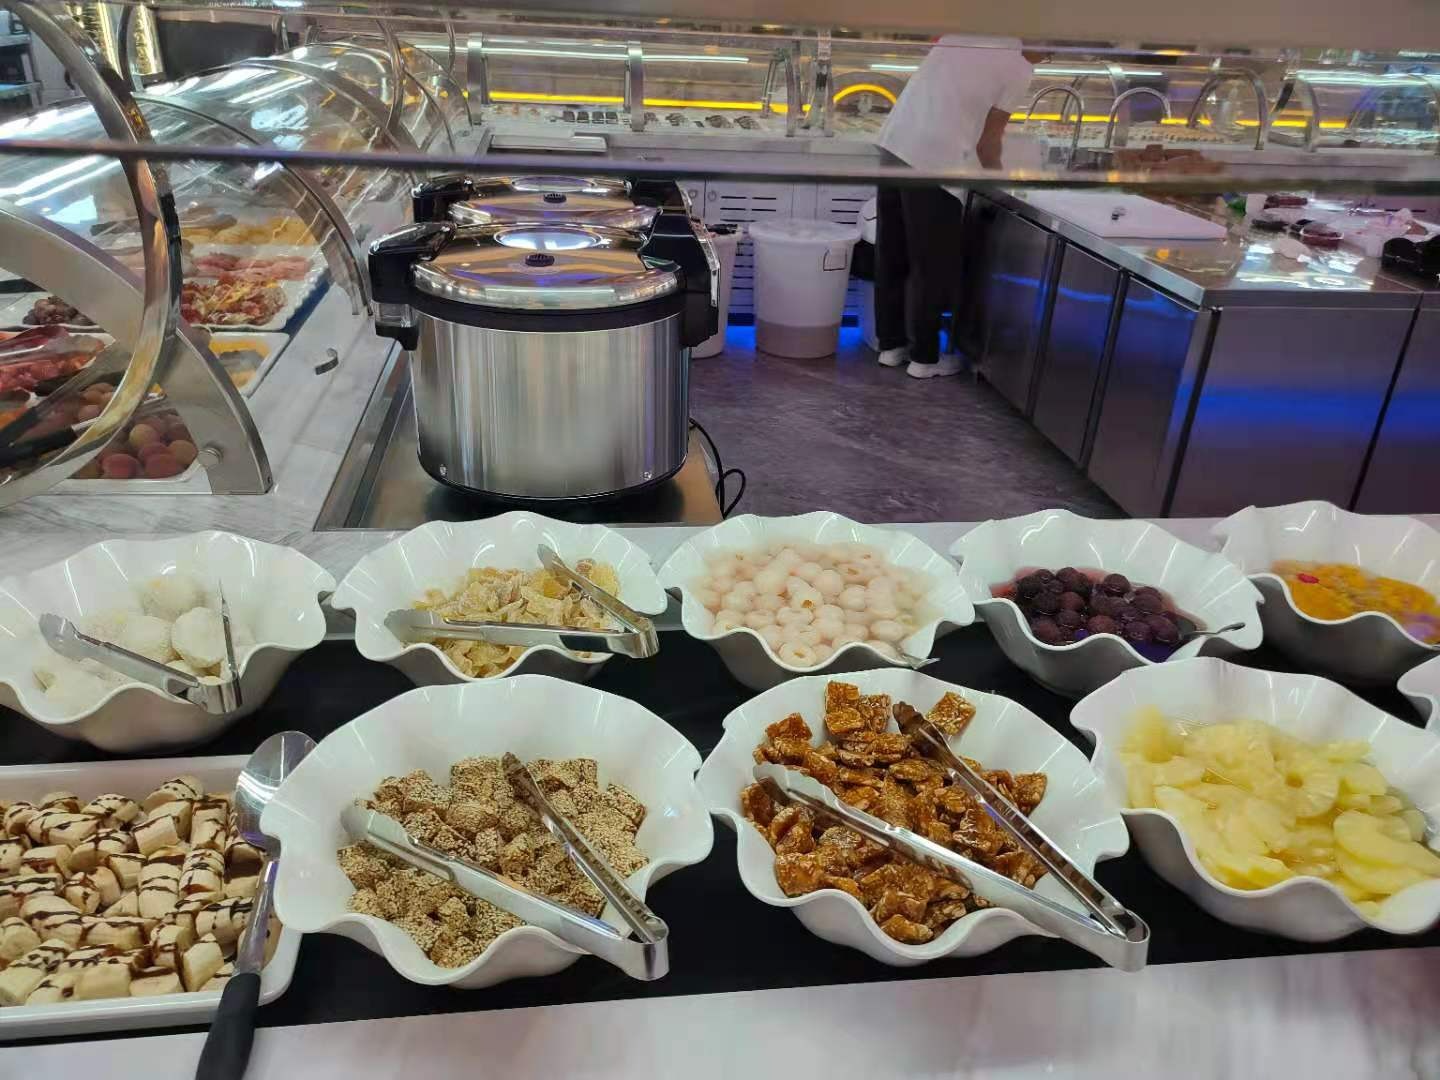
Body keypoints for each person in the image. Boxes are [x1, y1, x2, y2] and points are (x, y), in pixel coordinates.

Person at [873, 37, 1045, 379]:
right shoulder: (1019, 68)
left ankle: (891, 347)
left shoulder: (963, 34)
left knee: (892, 253)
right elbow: (988, 143)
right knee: (931, 265)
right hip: (936, 161)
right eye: (1050, 53)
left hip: (895, 144)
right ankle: (924, 359)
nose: (1045, 60)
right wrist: (1002, 185)